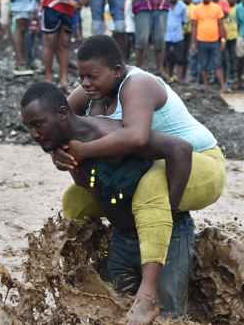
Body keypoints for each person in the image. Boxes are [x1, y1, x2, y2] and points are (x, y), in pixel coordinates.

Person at [50, 35, 226, 325]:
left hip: (199, 160)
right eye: (80, 76)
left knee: (150, 188)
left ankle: (147, 296)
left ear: (116, 71)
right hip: (155, 162)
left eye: (92, 76)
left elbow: (136, 136)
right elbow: (58, 122)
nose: (84, 83)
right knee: (75, 198)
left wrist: (82, 149)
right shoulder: (91, 90)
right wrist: (59, 151)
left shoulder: (138, 84)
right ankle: (79, 273)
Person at [21, 80, 198, 324]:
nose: (33, 134)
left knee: (169, 319)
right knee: (109, 315)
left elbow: (180, 148)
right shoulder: (64, 149)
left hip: (166, 239)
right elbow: (92, 185)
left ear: (62, 114)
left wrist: (168, 215)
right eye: (28, 127)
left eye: (37, 124)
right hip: (123, 240)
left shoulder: (107, 133)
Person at [190, 0, 228, 93]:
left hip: (215, 40)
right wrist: (193, 43)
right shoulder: (196, 9)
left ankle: (222, 86)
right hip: (201, 40)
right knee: (203, 64)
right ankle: (206, 87)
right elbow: (194, 26)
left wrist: (223, 40)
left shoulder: (217, 7)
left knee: (218, 63)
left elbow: (221, 24)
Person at [164, 0, 189, 81]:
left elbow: (184, 21)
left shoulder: (182, 6)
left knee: (180, 58)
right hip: (166, 35)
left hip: (178, 35)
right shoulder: (164, 4)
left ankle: (179, 79)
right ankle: (165, 76)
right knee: (164, 57)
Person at [222, 0, 239, 84]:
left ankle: (232, 75)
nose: (231, 0)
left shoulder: (237, 8)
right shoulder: (224, 8)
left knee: (233, 57)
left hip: (234, 36)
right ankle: (224, 76)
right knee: (224, 58)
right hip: (225, 37)